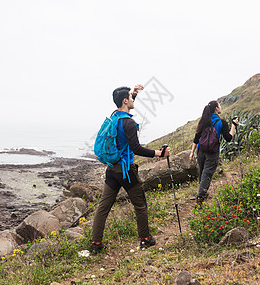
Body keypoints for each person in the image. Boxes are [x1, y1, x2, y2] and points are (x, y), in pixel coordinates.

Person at [90, 85, 171, 254]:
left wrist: (134, 93)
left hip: (111, 170)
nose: (133, 100)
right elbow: (136, 149)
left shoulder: (114, 117)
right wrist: (159, 153)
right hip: (126, 171)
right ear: (125, 101)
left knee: (103, 208)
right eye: (131, 98)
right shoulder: (129, 123)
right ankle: (146, 239)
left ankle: (96, 244)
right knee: (140, 205)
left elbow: (124, 106)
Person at [189, 100, 238, 207]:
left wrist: (192, 152)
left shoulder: (203, 120)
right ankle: (200, 196)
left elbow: (196, 137)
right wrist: (234, 125)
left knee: (202, 172)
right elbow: (228, 138)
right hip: (212, 151)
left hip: (200, 150)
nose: (220, 108)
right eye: (219, 106)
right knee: (207, 174)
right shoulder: (222, 122)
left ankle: (203, 192)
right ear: (216, 109)